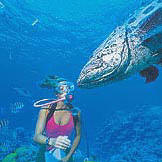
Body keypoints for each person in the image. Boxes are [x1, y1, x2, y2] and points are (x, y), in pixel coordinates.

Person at [33, 76, 81, 162]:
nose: (66, 91)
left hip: (65, 153)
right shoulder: (46, 110)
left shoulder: (75, 112)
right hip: (45, 151)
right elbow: (36, 137)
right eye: (62, 88)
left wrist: (69, 156)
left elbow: (78, 135)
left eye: (69, 88)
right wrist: (52, 141)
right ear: (56, 93)